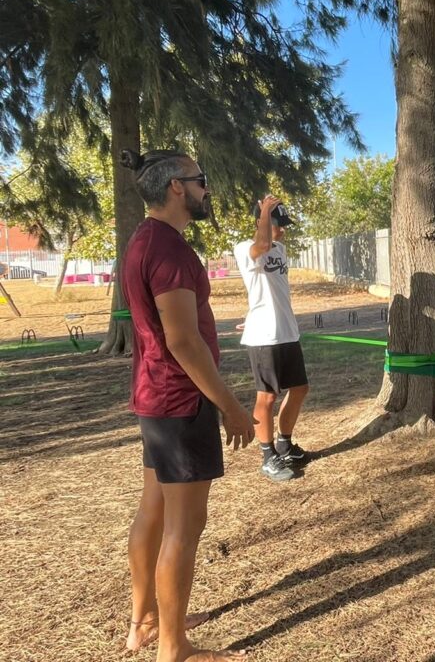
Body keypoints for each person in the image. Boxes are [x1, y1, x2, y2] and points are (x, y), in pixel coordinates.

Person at [120, 149, 254, 661]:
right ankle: (173, 649)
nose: (205, 189)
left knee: (153, 511)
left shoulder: (142, 240)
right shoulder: (171, 251)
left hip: (155, 399)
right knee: (184, 527)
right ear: (177, 187)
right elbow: (184, 341)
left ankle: (146, 623)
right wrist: (231, 406)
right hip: (181, 402)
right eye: (200, 180)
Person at [233, 195, 311, 482]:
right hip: (264, 335)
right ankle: (268, 456)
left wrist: (250, 313)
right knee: (267, 396)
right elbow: (260, 246)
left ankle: (284, 443)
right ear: (261, 222)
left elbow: (266, 290)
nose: (283, 230)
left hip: (287, 331)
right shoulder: (245, 248)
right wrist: (266, 209)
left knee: (300, 388)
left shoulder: (280, 249)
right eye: (278, 224)